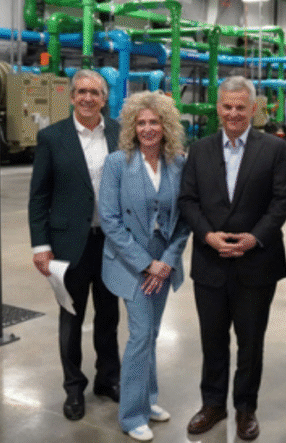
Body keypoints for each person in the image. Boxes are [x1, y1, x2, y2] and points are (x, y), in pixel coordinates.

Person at [178, 76, 286, 441]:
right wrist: (208, 236)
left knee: (250, 342)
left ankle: (246, 408)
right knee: (212, 339)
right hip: (211, 262)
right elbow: (187, 201)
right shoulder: (199, 150)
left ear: (253, 109)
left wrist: (254, 238)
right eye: (227, 106)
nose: (233, 113)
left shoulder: (273, 149)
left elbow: (282, 201)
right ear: (217, 108)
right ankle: (213, 404)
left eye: (240, 107)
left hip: (255, 263)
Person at [28, 69, 121, 421]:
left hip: (111, 244)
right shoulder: (53, 137)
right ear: (71, 96)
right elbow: (39, 196)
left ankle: (108, 380)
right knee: (71, 319)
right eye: (81, 91)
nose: (87, 98)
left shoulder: (118, 133)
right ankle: (73, 388)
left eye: (94, 92)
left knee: (109, 318)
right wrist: (41, 246)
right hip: (68, 245)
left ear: (104, 97)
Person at [98, 91, 191, 441]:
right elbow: (109, 220)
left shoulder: (177, 164)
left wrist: (166, 262)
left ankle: (148, 399)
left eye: (154, 122)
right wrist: (145, 263)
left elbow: (184, 220)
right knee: (140, 335)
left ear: (166, 125)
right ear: (132, 127)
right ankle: (132, 414)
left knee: (151, 332)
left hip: (163, 264)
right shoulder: (117, 163)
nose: (148, 129)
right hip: (130, 261)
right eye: (141, 122)